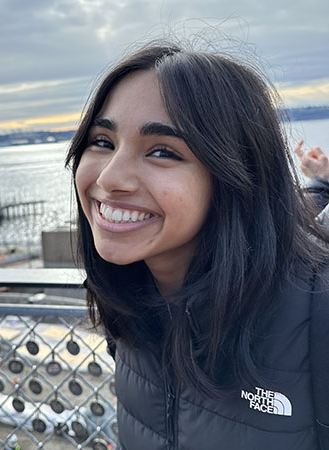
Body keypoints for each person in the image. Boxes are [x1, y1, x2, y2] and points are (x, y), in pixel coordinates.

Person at [65, 42, 329, 449]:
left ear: (236, 174)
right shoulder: (130, 303)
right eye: (102, 141)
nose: (111, 178)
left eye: (162, 151)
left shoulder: (315, 311)